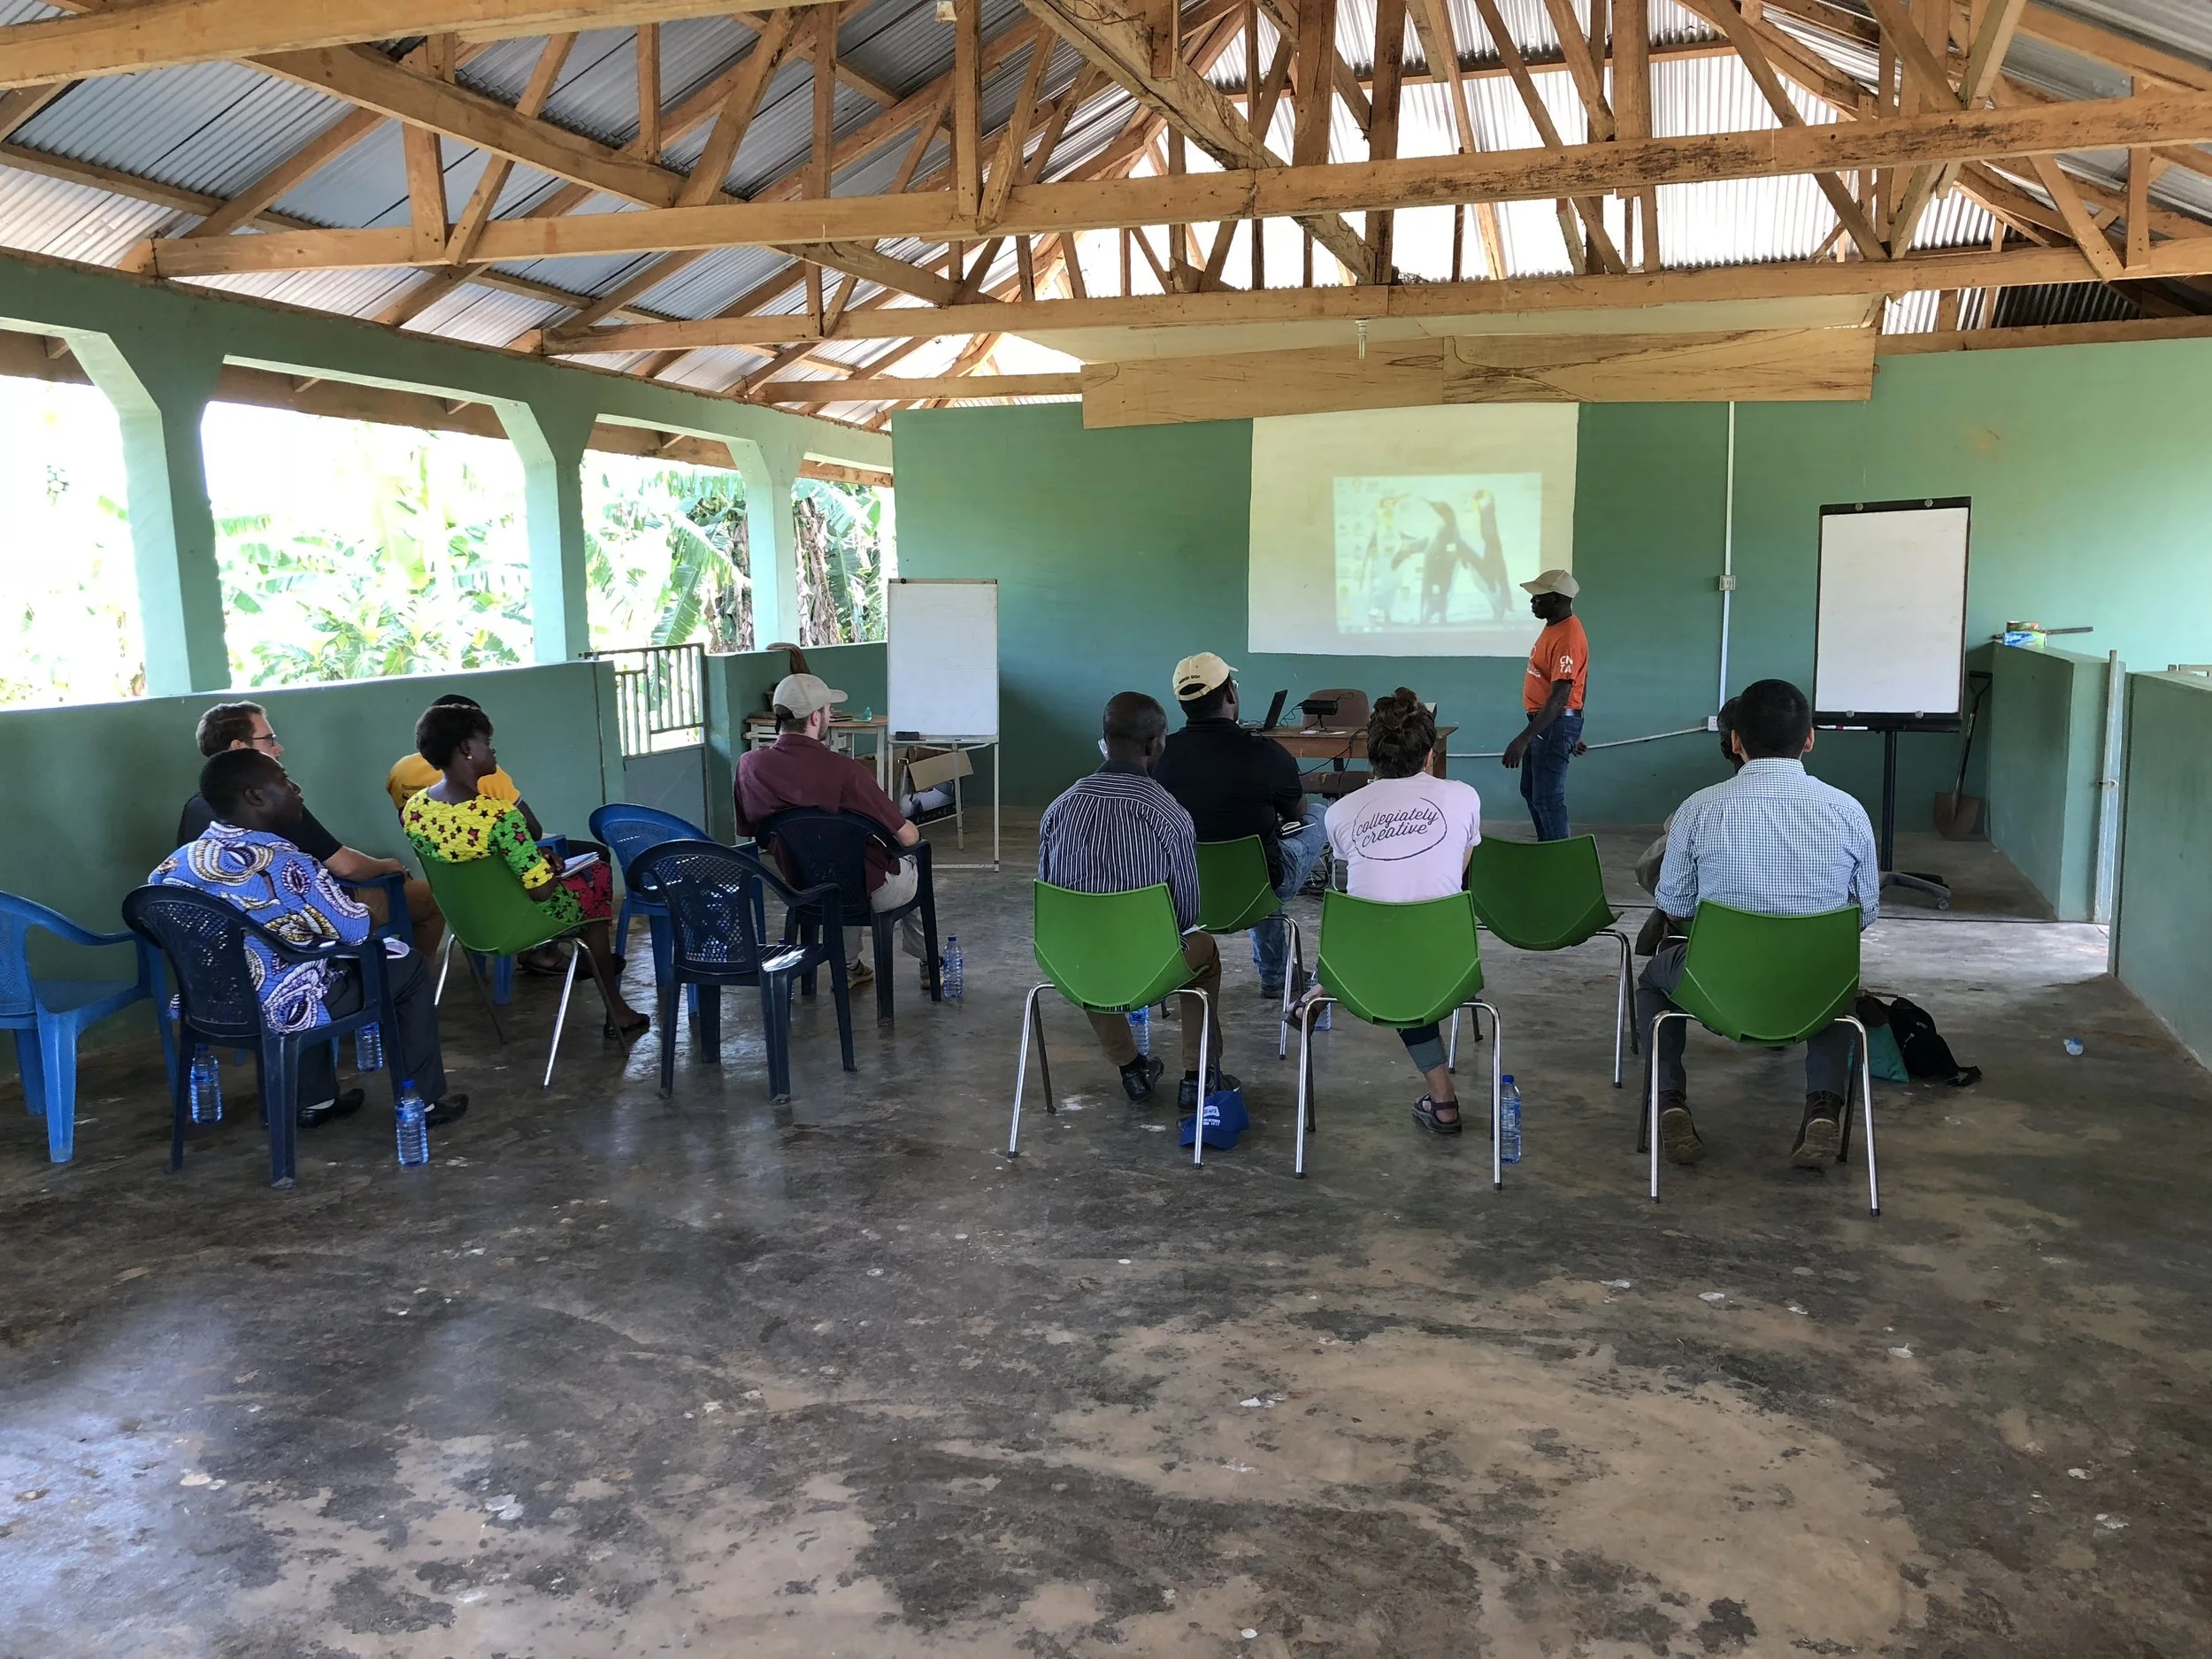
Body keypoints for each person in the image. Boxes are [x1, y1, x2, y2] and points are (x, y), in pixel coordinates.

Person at [151, 749, 468, 1130]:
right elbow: (353, 931)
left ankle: (312, 1101)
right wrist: (373, 910)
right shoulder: (285, 861)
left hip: (210, 1006)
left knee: (303, 965)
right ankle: (424, 1103)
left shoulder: (180, 861)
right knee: (407, 967)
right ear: (256, 797)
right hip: (279, 1007)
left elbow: (158, 924)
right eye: (284, 780)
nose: (297, 789)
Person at [1640, 678, 1881, 1171]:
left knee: (1651, 982)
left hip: (1718, 988)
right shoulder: (1848, 812)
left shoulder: (1698, 810)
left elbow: (1674, 904)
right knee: (1838, 987)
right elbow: (1864, 913)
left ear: (1735, 741)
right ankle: (1822, 1107)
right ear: (1809, 738)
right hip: (1809, 989)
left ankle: (1668, 1100)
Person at [401, 702, 650, 1037]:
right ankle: (615, 1009)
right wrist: (546, 868)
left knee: (576, 881)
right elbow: (542, 891)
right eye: (486, 742)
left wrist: (535, 859)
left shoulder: (416, 808)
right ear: (465, 749)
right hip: (518, 923)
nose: (492, 749)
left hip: (468, 925)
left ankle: (598, 984)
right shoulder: (499, 815)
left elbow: (468, 858)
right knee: (595, 880)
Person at [1038, 692, 1235, 1111]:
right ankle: (1198, 1074)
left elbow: (1051, 901)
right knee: (1205, 954)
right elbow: (1186, 915)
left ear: (1105, 740)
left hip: (1076, 963)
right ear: (1155, 745)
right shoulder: (1169, 814)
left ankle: (1131, 1069)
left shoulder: (1058, 809)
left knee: (1084, 946)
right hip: (1151, 965)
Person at [1316, 690, 1484, 1136]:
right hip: (1449, 964)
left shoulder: (1341, 812)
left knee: (1389, 951)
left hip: (1363, 971)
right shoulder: (1465, 797)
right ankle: (1442, 1100)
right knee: (1411, 957)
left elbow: (1357, 873)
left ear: (1371, 757)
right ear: (1430, 756)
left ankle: (1321, 986)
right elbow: (1458, 866)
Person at [180, 701, 444, 962]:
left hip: (225, 939)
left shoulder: (194, 810)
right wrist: (388, 866)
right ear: (238, 748)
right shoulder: (272, 807)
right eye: (269, 740)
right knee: (431, 900)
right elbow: (346, 868)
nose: (278, 748)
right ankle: (412, 983)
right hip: (294, 927)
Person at [733, 672, 928, 984]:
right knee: (910, 866)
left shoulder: (749, 766)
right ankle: (929, 963)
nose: (829, 716)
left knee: (839, 864)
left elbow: (753, 831)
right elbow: (905, 835)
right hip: (863, 890)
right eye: (827, 711)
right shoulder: (845, 772)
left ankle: (849, 965)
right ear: (815, 717)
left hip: (800, 887)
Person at [1152, 652, 1325, 1001]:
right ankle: (1276, 975)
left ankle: (1271, 972)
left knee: (1256, 852)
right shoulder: (1266, 754)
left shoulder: (1160, 756)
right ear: (1230, 694)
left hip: (1184, 893)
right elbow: (1297, 812)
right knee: (1316, 818)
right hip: (1256, 890)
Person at [1501, 569, 1590, 841]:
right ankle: (1546, 849)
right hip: (1554, 724)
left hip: (1553, 724)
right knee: (1532, 792)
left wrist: (1524, 739)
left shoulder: (1568, 637)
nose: (1532, 603)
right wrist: (1570, 729)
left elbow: (1561, 694)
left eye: (1538, 598)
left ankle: (1559, 860)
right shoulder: (1554, 628)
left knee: (1547, 798)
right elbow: (1579, 685)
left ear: (1558, 599)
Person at [385, 694, 537, 833]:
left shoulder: (401, 771)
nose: (492, 749)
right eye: (486, 741)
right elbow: (533, 831)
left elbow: (406, 822)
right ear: (466, 746)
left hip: (434, 859)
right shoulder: (491, 780)